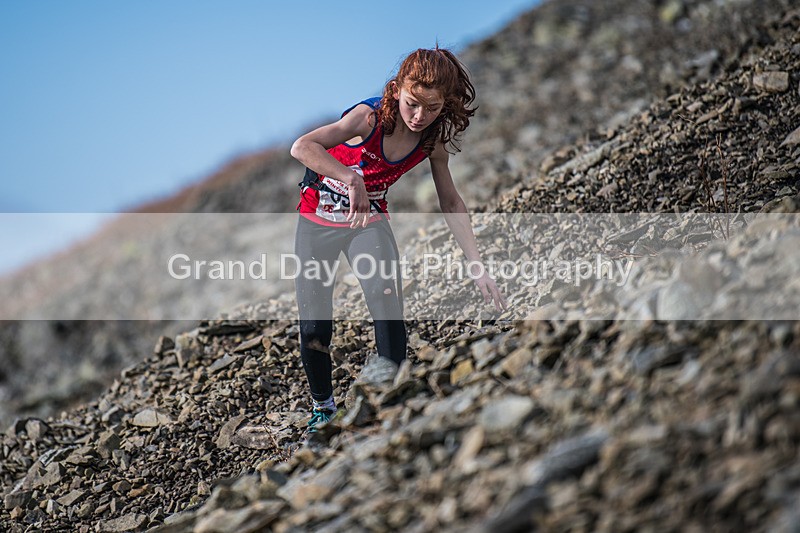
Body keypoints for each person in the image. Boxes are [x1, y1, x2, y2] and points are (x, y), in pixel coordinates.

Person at [289, 47, 507, 438]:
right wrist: (351, 178)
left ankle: (391, 393)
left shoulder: (431, 141)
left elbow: (451, 201)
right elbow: (303, 147)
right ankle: (323, 407)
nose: (419, 116)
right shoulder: (368, 118)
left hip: (367, 221)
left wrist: (478, 267)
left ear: (445, 105)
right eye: (411, 103)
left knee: (385, 293)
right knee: (314, 328)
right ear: (396, 90)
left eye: (431, 107)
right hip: (317, 220)